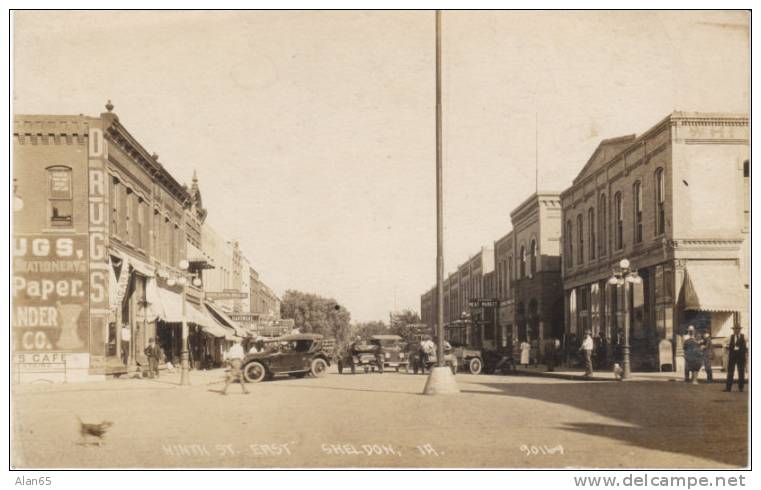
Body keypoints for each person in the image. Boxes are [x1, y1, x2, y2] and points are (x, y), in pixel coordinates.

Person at [724, 325, 747, 393]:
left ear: (740, 330)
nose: (736, 330)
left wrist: (744, 351)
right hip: (732, 357)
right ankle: (728, 388)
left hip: (741, 357)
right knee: (730, 372)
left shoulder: (744, 336)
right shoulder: (730, 337)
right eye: (735, 329)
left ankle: (741, 388)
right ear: (733, 330)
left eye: (737, 329)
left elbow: (747, 345)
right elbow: (724, 343)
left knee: (741, 372)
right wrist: (728, 347)